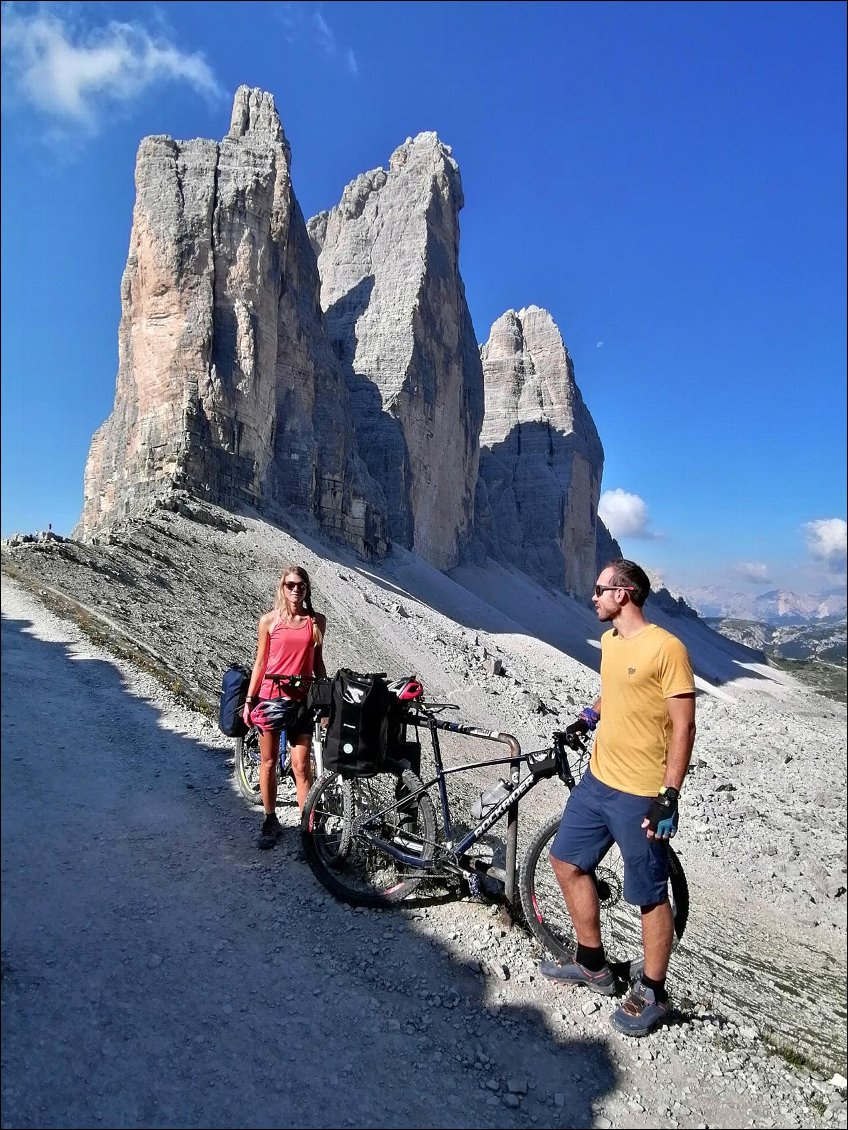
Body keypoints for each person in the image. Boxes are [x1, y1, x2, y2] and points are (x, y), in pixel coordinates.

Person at [542, 559, 696, 1036]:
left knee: (649, 894)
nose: (593, 596)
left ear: (624, 594)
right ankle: (593, 964)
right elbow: (616, 690)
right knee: (566, 861)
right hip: (597, 781)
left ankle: (652, 991)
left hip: (639, 792)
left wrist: (669, 796)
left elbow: (685, 726)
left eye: (601, 589)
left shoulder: (667, 649)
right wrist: (588, 715)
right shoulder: (610, 642)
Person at [243, 565, 327, 849]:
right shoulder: (268, 621)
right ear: (282, 587)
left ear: (307, 589)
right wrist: (249, 700)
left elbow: (317, 663)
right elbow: (260, 663)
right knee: (267, 761)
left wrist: (325, 696)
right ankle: (270, 819)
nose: (295, 589)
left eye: (301, 585)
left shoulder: (316, 622)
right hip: (270, 697)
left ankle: (308, 827)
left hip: (302, 701)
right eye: (290, 585)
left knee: (301, 766)